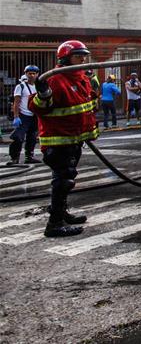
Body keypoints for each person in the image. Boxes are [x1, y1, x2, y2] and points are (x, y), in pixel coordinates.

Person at [30, 40, 98, 237]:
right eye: (78, 56)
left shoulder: (81, 78)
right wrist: (43, 94)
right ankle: (54, 224)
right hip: (59, 141)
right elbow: (38, 108)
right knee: (63, 180)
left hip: (74, 139)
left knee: (67, 178)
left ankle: (62, 212)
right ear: (66, 58)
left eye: (84, 56)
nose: (83, 60)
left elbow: (86, 106)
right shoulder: (55, 79)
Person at [8, 66, 40, 165]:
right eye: (29, 73)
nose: (32, 75)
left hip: (34, 115)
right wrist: (16, 116)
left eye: (34, 73)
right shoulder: (20, 86)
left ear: (37, 74)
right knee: (18, 137)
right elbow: (16, 102)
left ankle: (29, 157)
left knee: (32, 137)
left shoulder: (38, 86)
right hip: (23, 116)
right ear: (26, 74)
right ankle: (14, 158)